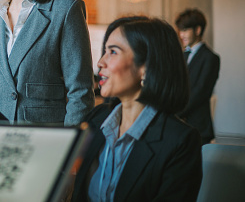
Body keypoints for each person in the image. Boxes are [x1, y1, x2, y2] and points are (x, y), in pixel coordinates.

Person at [71, 17, 202, 202]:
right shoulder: (95, 119)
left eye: (113, 52)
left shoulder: (180, 142)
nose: (100, 62)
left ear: (146, 67)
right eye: (104, 51)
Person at [175, 8, 220, 145]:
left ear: (198, 30)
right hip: (177, 126)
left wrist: (176, 113)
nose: (181, 35)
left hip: (198, 126)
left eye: (185, 30)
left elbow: (201, 92)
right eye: (180, 30)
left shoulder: (210, 58)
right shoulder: (181, 56)